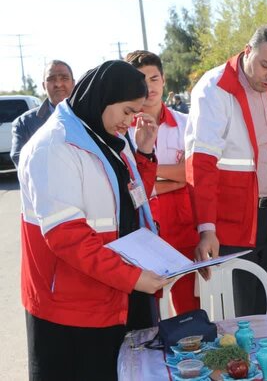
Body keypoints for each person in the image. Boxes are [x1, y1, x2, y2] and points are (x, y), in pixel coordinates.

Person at [18, 60, 170, 380]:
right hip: (71, 309)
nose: (130, 122)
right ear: (104, 97)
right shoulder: (55, 145)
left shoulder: (103, 135)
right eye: (128, 111)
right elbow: (67, 238)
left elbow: (126, 198)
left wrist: (142, 154)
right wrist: (134, 279)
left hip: (114, 292)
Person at [185, 26, 267, 316]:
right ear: (247, 51)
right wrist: (207, 230)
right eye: (265, 65)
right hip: (231, 224)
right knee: (239, 318)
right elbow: (201, 164)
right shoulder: (214, 88)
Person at [126, 50, 200, 314]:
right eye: (141, 80)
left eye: (154, 78)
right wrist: (171, 179)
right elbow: (130, 183)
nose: (149, 86)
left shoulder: (186, 123)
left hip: (183, 228)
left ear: (164, 80)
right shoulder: (122, 129)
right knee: (148, 312)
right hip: (143, 230)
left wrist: (150, 175)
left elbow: (191, 173)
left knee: (188, 310)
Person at [11, 60, 75, 166]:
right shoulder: (24, 123)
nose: (58, 84)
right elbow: (20, 159)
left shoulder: (90, 116)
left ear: (73, 83)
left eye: (64, 78)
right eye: (51, 79)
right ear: (44, 86)